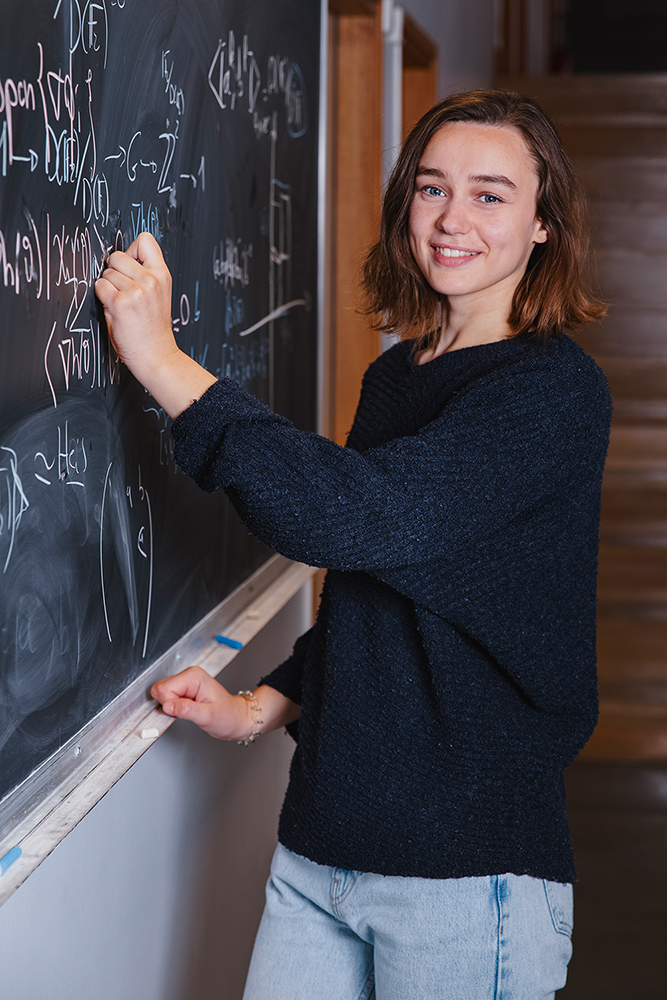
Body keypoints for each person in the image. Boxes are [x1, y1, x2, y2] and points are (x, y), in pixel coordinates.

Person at [95, 89, 611, 1000]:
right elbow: (379, 589)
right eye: (430, 188)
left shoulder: (551, 394)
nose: (452, 219)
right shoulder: (395, 375)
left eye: (490, 195)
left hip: (464, 872)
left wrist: (162, 363)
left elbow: (352, 518)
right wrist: (263, 706)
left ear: (543, 224)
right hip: (322, 846)